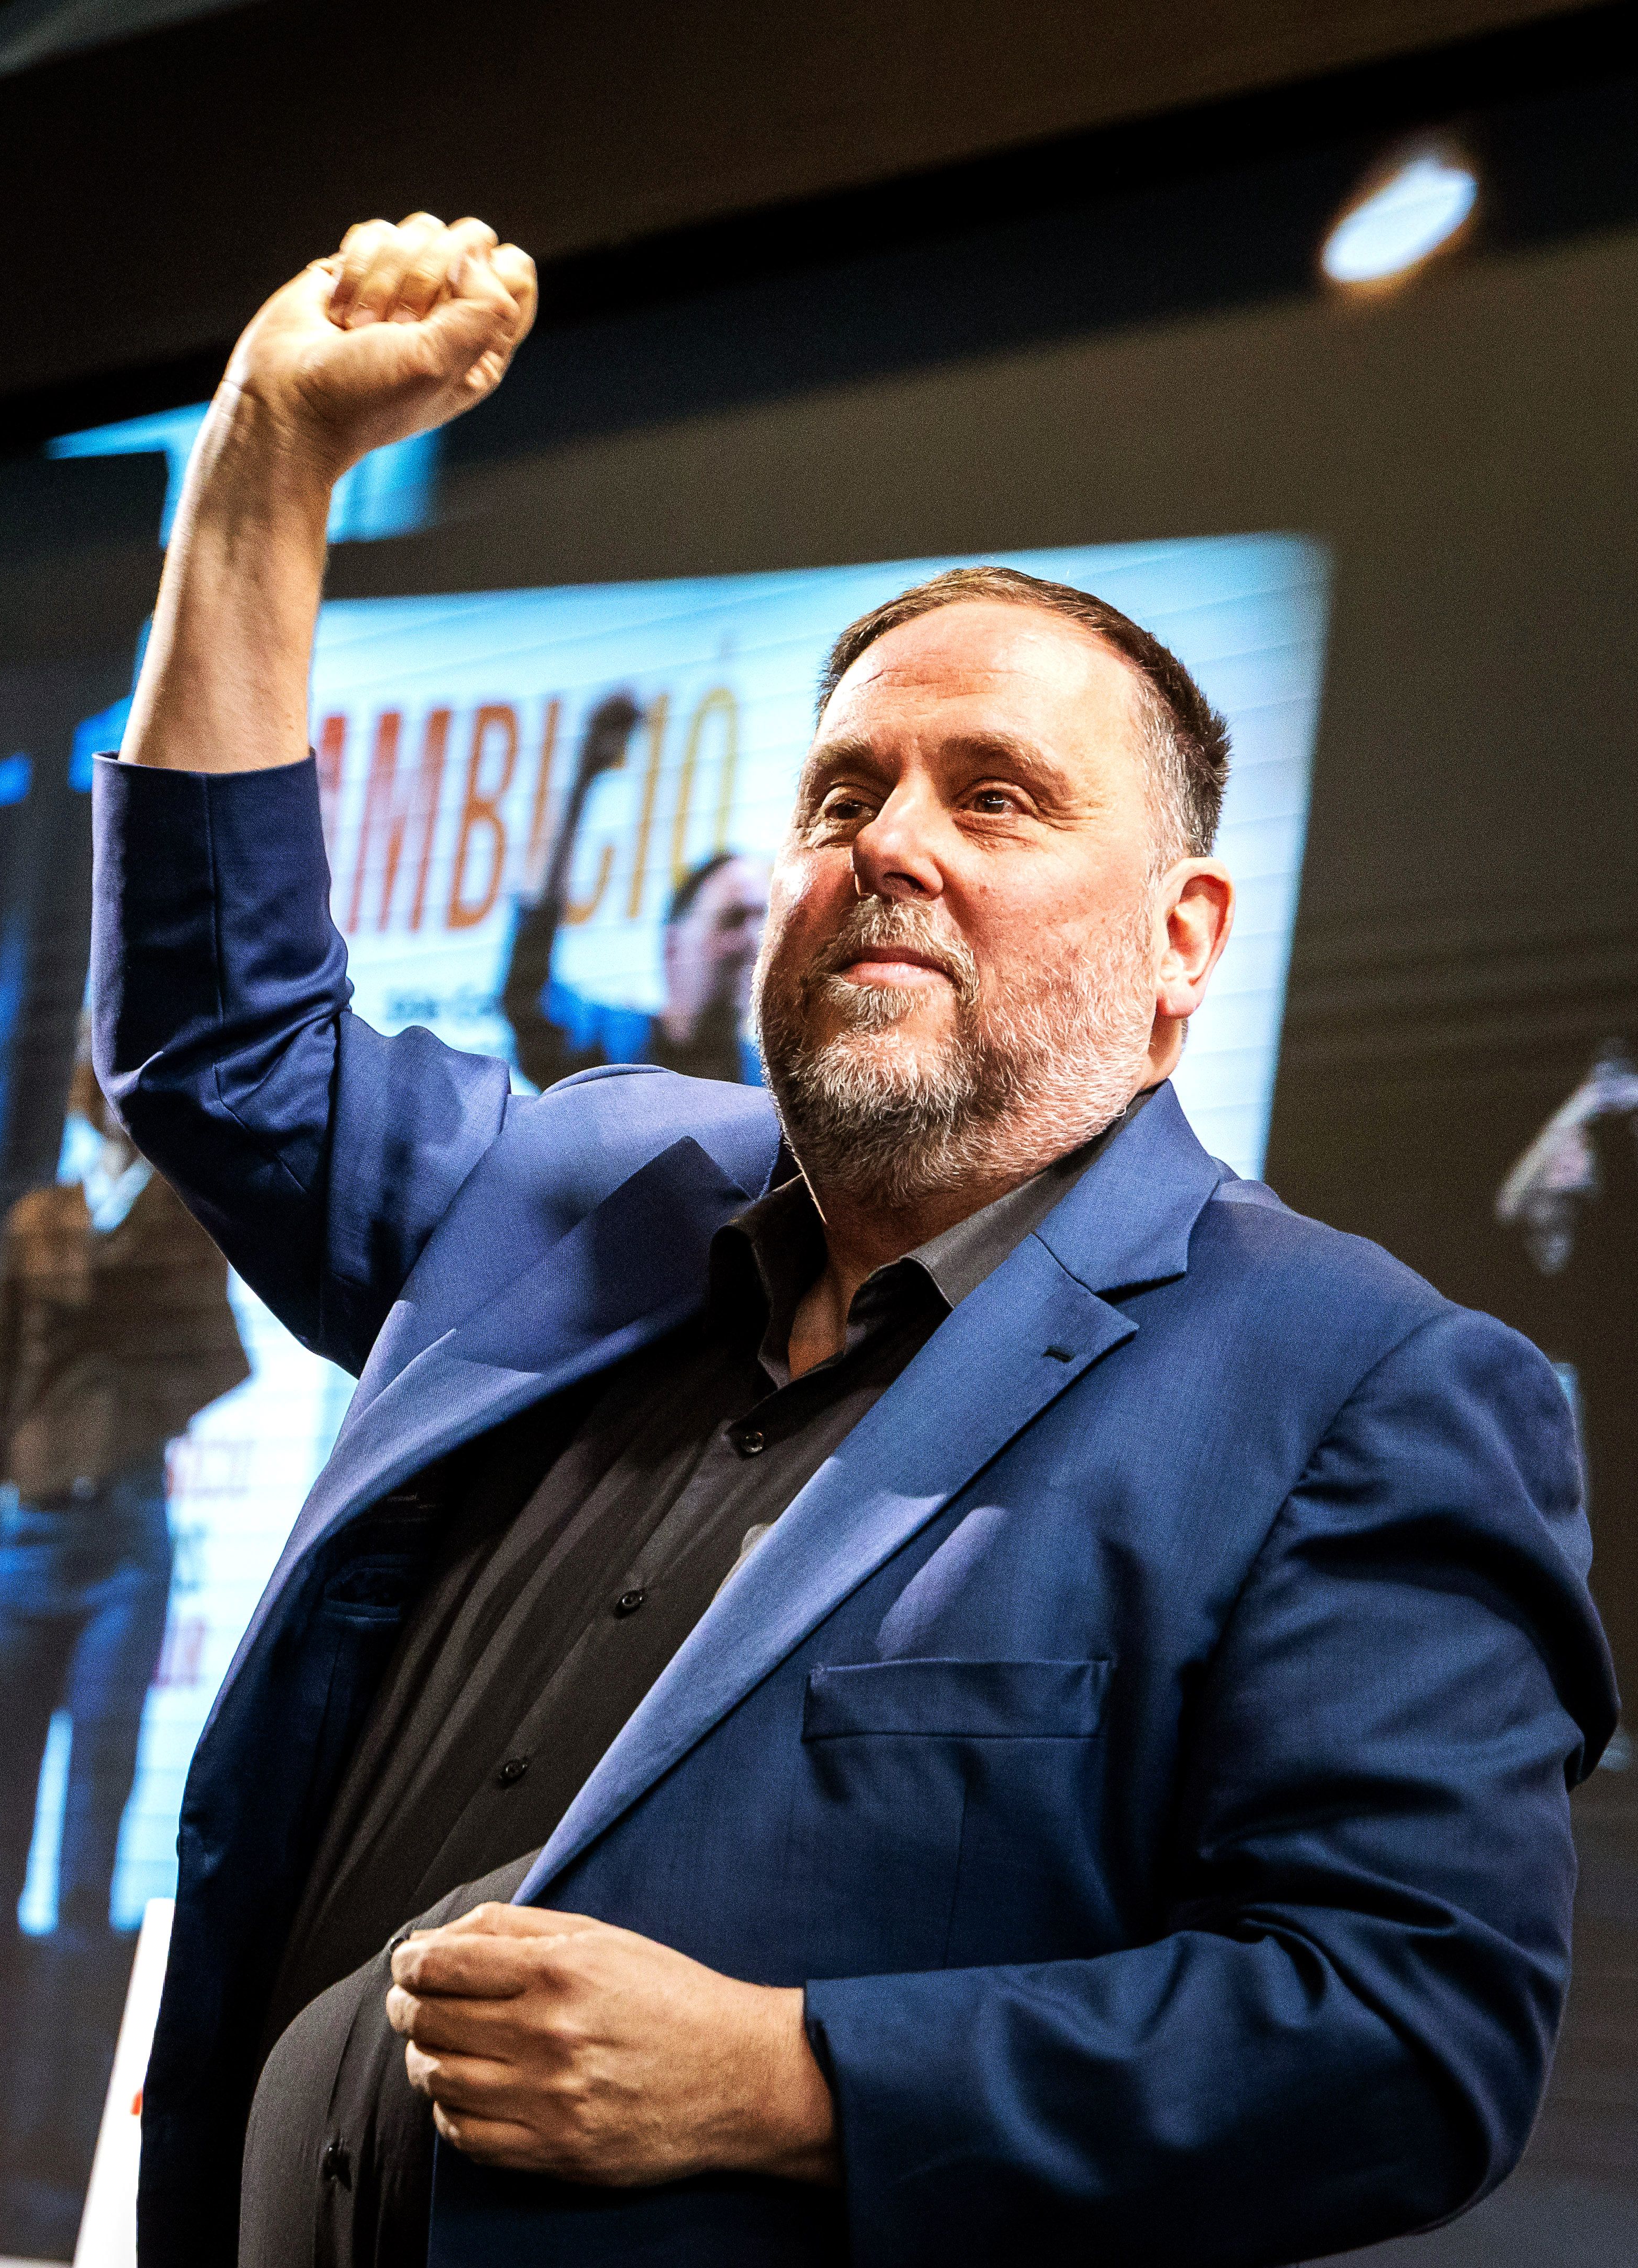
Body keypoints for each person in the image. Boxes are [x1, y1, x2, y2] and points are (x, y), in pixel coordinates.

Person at [94, 212, 1614, 2268]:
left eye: (996, 797)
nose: (887, 838)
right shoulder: (582, 1187)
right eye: (841, 794)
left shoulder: (1356, 1382)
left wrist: (793, 2072)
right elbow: (220, 1036)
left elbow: (1405, 2028)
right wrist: (263, 466)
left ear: (1186, 944)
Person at [0, 1052, 248, 2187]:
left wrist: (127, 1400)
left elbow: (223, 1357)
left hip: (125, 1545)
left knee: (87, 1851)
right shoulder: (40, 1219)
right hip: (24, 1545)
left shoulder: (176, 1215)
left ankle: (55, 2135)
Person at [497, 686, 767, 1087]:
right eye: (731, 920)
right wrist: (581, 784)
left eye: (764, 923)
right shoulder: (606, 1054)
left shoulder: (771, 1094)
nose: (752, 940)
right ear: (672, 947)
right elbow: (527, 994)